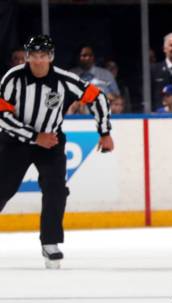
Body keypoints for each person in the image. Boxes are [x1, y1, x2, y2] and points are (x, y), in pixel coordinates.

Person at [0, 35, 114, 269]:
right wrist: (34, 136)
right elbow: (2, 116)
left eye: (43, 56)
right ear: (27, 55)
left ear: (51, 57)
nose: (38, 61)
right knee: (3, 188)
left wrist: (104, 132)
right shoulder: (12, 78)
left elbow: (98, 98)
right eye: (34, 55)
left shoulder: (65, 80)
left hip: (51, 142)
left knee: (56, 191)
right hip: (15, 142)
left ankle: (50, 242)